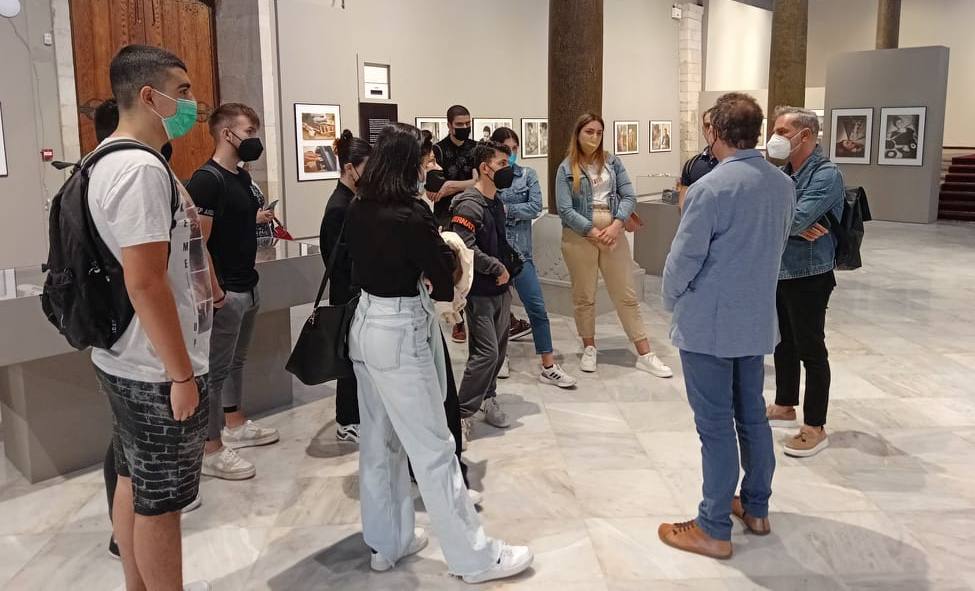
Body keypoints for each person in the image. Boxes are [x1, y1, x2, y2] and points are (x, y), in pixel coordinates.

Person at [345, 123, 532, 583]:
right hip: (400, 328)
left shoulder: (360, 204)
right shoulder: (411, 213)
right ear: (409, 163)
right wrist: (445, 253)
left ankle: (387, 542)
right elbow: (444, 280)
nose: (431, 165)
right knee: (434, 448)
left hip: (365, 324)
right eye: (426, 158)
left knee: (379, 443)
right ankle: (475, 558)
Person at [88, 44, 212, 591]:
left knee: (131, 477)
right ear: (148, 96)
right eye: (182, 91)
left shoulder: (105, 158)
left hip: (125, 356)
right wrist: (181, 375)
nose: (190, 103)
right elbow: (145, 281)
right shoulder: (139, 168)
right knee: (162, 504)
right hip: (155, 368)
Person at [658, 92, 795, 559]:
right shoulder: (782, 185)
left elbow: (684, 258)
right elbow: (776, 246)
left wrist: (670, 299)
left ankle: (713, 527)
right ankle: (756, 508)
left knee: (715, 425)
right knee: (752, 415)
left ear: (715, 131)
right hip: (754, 319)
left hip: (710, 325)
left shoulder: (711, 188)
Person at [186, 103, 280, 482]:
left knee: (235, 362)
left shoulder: (240, 177)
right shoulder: (206, 180)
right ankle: (210, 447)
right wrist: (216, 292)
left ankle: (235, 422)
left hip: (247, 282)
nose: (254, 139)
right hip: (225, 290)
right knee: (213, 370)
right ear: (227, 134)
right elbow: (198, 243)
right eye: (249, 131)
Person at [555, 113, 673, 378]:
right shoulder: (566, 168)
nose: (594, 137)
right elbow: (564, 208)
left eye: (599, 132)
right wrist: (591, 231)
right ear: (578, 134)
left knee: (626, 294)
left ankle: (645, 352)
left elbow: (629, 195)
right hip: (580, 234)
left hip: (612, 231)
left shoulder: (612, 162)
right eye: (589, 132)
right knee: (584, 295)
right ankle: (589, 347)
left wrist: (617, 224)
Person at [764, 106, 846, 458]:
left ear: (806, 136)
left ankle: (815, 426)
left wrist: (791, 224)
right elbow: (779, 217)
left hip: (810, 274)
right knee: (783, 342)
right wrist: (792, 225)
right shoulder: (784, 172)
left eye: (783, 131)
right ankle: (785, 405)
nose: (776, 137)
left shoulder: (826, 175)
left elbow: (794, 219)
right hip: (781, 269)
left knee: (811, 348)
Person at [490, 126, 577, 389]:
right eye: (506, 150)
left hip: (521, 254)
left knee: (537, 307)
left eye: (514, 148)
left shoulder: (527, 175)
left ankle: (548, 365)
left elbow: (535, 206)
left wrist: (506, 209)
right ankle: (501, 357)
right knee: (499, 312)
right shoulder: (487, 178)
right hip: (494, 255)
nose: (511, 154)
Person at [451, 140, 518, 441]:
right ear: (484, 168)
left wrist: (509, 267)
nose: (508, 168)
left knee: (499, 352)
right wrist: (495, 267)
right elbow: (464, 248)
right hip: (479, 291)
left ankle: (488, 397)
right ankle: (462, 413)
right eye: (502, 163)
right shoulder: (469, 204)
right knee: (485, 353)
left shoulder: (496, 202)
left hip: (501, 289)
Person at [319, 129, 372, 443]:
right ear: (350, 168)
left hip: (355, 293)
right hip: (347, 296)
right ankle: (347, 419)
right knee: (349, 359)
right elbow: (337, 261)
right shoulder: (339, 207)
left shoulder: (352, 201)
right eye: (367, 167)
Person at [433, 105, 478, 343]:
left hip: (472, 211)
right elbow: (435, 190)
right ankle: (458, 320)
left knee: (474, 261)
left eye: (467, 124)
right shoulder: (438, 150)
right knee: (454, 266)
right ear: (449, 125)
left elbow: (479, 182)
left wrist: (452, 185)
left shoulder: (476, 148)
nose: (464, 128)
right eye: (459, 124)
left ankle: (477, 315)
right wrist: (469, 182)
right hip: (445, 215)